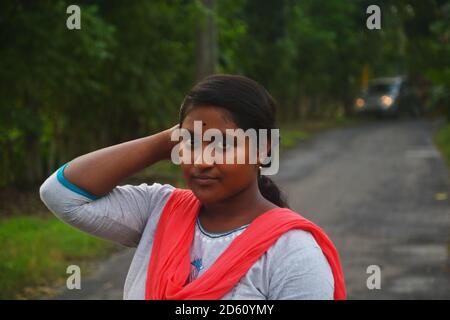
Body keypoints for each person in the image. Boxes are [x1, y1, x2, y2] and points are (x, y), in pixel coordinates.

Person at [40, 74, 345, 300]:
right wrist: (166, 140)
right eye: (191, 143)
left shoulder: (292, 252)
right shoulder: (159, 209)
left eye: (223, 145)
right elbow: (62, 194)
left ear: (263, 149)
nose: (201, 161)